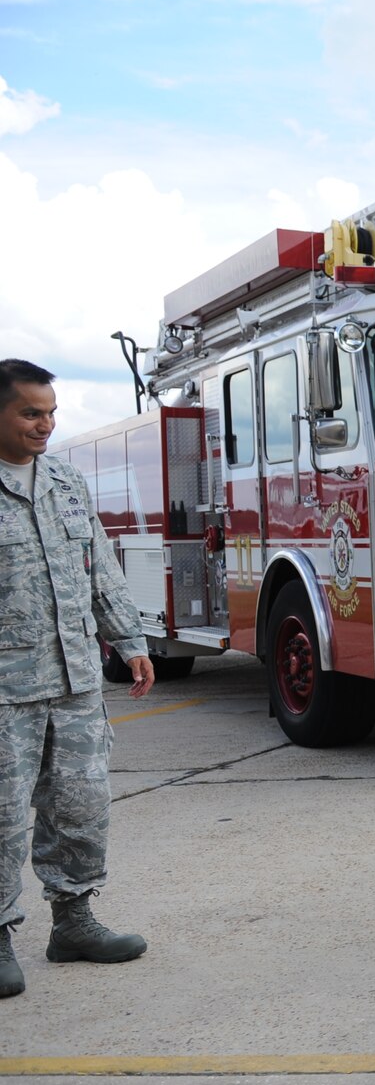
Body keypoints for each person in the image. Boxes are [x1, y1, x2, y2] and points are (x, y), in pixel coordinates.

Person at [0, 360, 154, 999]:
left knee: (82, 806)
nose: (46, 424)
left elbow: (99, 566)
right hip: (6, 688)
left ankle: (74, 922)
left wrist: (131, 638)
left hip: (76, 681)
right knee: (3, 815)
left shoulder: (65, 479)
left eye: (51, 412)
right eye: (31, 412)